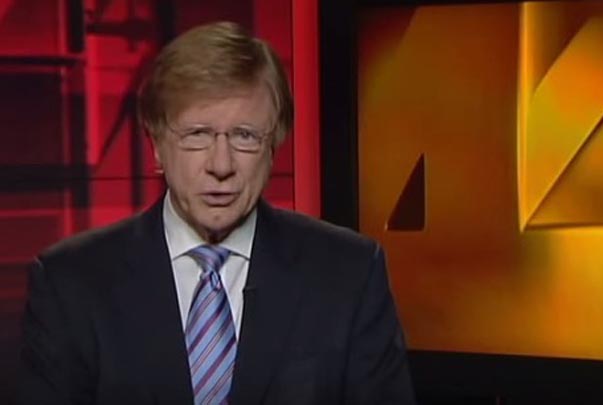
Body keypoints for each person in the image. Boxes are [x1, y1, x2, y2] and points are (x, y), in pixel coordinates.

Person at [18, 21, 415, 405]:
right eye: (197, 135)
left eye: (245, 136)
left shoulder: (349, 273)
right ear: (156, 144)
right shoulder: (70, 283)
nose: (221, 165)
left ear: (273, 146)